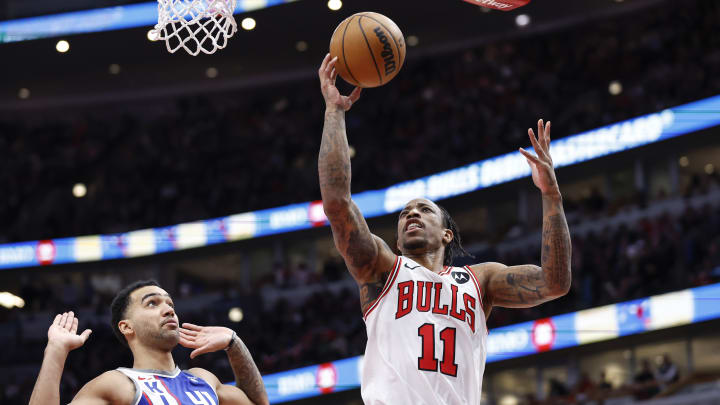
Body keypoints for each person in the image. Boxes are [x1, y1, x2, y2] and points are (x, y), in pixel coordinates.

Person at [317, 54, 572, 404]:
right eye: (405, 213)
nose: (412, 215)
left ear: (447, 234)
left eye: (424, 210)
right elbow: (336, 204)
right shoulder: (382, 269)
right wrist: (334, 110)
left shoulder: (481, 281)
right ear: (397, 239)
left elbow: (554, 283)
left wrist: (552, 196)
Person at [29, 280, 268, 405]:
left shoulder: (204, 380)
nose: (168, 310)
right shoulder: (117, 384)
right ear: (127, 326)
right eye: (152, 303)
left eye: (170, 304)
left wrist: (234, 344)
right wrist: (56, 351)